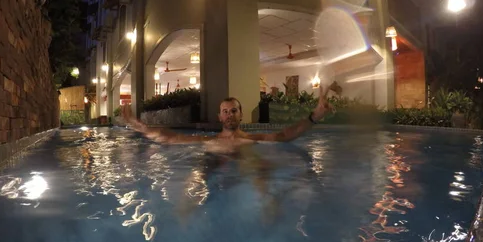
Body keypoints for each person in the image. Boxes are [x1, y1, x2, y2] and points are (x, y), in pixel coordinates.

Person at [122, 83, 337, 149]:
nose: (229, 115)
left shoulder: (252, 139)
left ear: (241, 115)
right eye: (225, 111)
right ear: (219, 117)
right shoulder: (209, 140)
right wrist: (139, 126)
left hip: (246, 167)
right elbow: (169, 137)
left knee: (261, 176)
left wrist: (315, 116)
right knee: (196, 181)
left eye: (234, 110)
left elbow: (285, 135)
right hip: (214, 166)